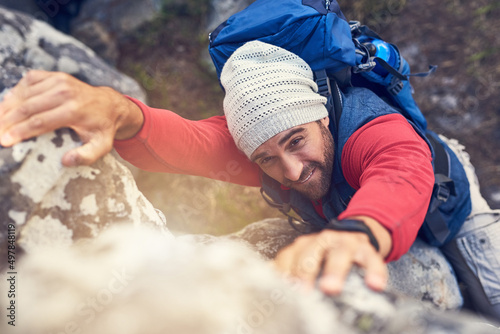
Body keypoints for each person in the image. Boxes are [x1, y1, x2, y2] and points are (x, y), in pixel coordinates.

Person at [0, 40, 499, 321]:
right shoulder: (265, 145)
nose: (290, 170)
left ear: (322, 115)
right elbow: (182, 139)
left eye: (297, 141)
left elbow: (401, 173)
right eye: (265, 158)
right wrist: (117, 109)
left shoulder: (376, 131)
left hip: (447, 205)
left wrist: (359, 230)